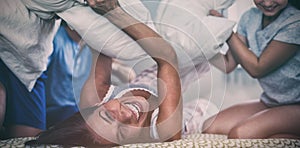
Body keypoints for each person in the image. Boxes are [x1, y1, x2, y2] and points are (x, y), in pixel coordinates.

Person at [26, 1, 182, 145]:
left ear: (98, 105)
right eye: (121, 133)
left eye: (108, 115)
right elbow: (167, 58)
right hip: (187, 84)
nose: (126, 116)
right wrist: (113, 10)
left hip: (152, 73)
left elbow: (102, 44)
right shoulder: (165, 131)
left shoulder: (93, 97)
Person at [0, 0, 156, 138]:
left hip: (70, 114)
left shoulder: (89, 48)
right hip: (58, 110)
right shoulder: (56, 43)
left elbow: (105, 48)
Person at [202, 0, 300, 139]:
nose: (267, 3)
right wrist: (198, 47)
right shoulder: (249, 17)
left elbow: (257, 68)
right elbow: (228, 64)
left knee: (240, 134)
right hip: (271, 103)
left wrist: (225, 30)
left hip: (296, 106)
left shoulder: (295, 22)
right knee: (210, 127)